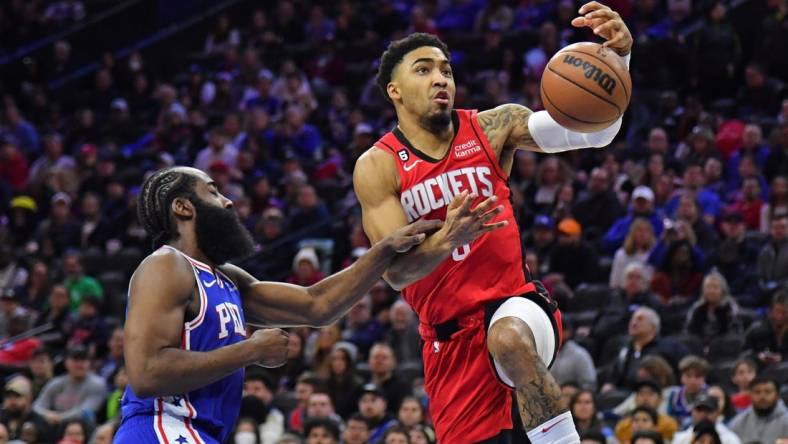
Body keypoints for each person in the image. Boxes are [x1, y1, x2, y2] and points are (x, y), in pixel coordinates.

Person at [353, 4, 634, 442]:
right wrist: (448, 238)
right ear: (395, 90)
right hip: (449, 341)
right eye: (423, 70)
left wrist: (618, 62)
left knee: (508, 339)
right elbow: (395, 272)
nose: (440, 78)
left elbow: (594, 132)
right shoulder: (378, 166)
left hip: (515, 304)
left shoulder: (492, 126)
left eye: (445, 69)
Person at [114, 166, 441, 444]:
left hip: (198, 432)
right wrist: (251, 351)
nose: (228, 202)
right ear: (183, 207)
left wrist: (383, 251)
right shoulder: (166, 266)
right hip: (160, 428)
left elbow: (318, 305)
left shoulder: (226, 278)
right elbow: (146, 374)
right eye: (213, 192)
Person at [32, 346, 107, 428]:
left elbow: (86, 411)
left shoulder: (97, 384)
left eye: (83, 360)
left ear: (89, 363)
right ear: (66, 362)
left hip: (83, 429)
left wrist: (59, 418)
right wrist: (47, 415)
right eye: (75, 360)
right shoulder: (57, 383)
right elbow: (37, 406)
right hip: (54, 426)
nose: (79, 364)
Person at [729, 378, 788, 444]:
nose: (762, 396)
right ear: (750, 395)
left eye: (768, 392)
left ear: (777, 396)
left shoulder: (786, 420)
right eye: (757, 392)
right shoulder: (738, 422)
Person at [671, 394, 741, 444]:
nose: (703, 415)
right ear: (692, 412)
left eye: (708, 411)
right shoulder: (680, 438)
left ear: (717, 413)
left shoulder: (730, 439)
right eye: (699, 410)